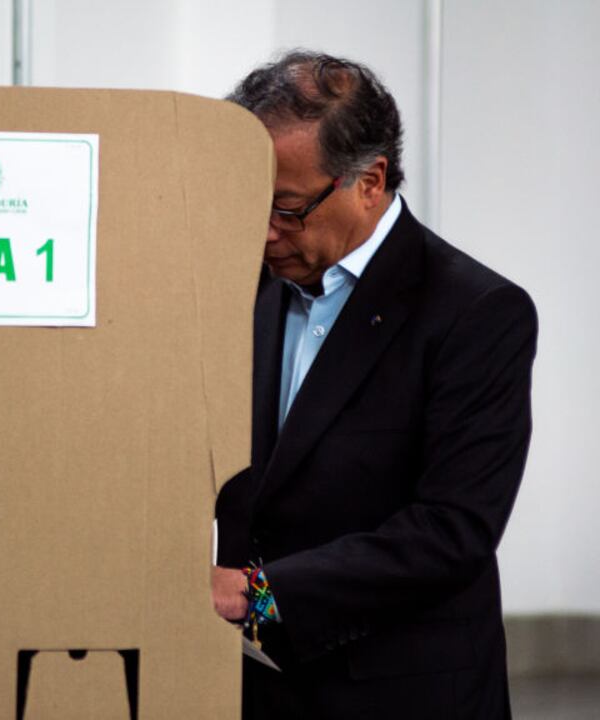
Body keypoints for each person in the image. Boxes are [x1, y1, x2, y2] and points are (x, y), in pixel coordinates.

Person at [211, 50, 537, 719]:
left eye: (288, 207)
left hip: (398, 692)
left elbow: (450, 533)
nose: (264, 231)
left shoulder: (476, 314)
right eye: (249, 203)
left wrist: (258, 595)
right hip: (253, 689)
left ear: (371, 180)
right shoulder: (242, 288)